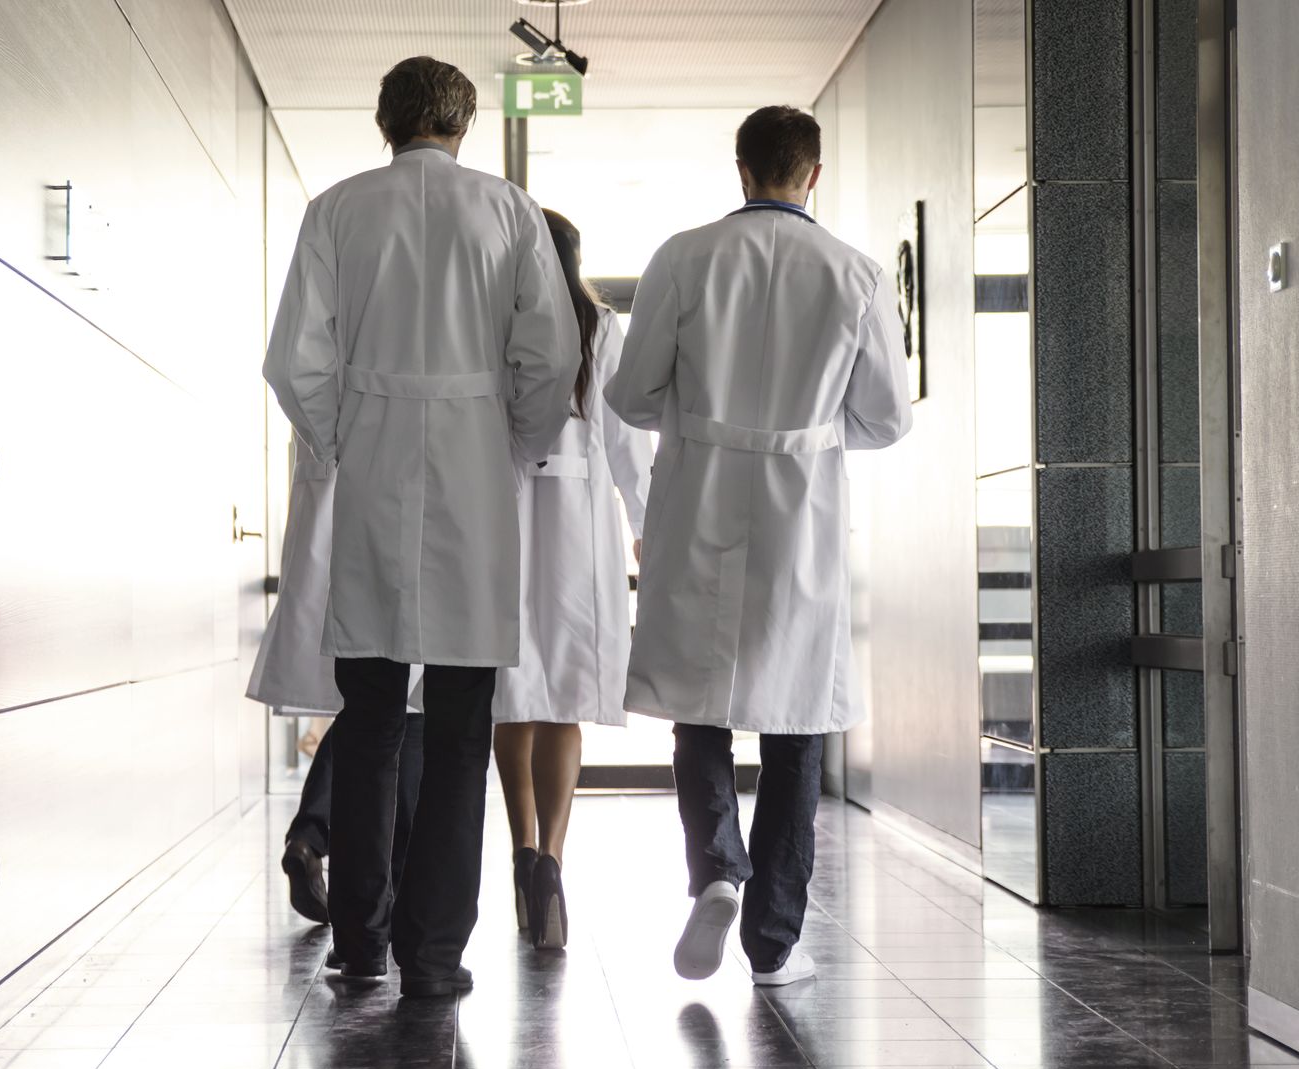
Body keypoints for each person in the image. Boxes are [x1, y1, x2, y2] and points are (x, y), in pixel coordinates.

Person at [262, 56, 580, 998]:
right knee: (458, 729)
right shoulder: (509, 211)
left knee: (368, 723)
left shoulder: (337, 210)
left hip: (371, 472)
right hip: (475, 479)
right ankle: (434, 953)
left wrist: (339, 446)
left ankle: (359, 940)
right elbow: (550, 355)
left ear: (383, 122)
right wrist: (509, 446)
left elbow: (293, 363)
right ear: (465, 126)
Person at [604, 106, 912, 988]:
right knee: (796, 720)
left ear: (741, 171)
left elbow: (629, 395)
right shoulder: (853, 273)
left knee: (698, 707)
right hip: (800, 507)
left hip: (699, 492)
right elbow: (888, 416)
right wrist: (812, 431)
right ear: (810, 174)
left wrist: (703, 419)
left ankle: (716, 871)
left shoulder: (684, 256)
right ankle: (773, 942)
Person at [491, 209, 652, 952]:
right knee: (563, 704)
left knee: (512, 697)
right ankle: (552, 859)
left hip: (503, 522)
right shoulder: (601, 330)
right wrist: (650, 528)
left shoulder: (497, 324)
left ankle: (522, 851)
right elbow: (629, 447)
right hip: (581, 530)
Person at [246, 434, 424, 927]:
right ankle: (382, 904)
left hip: (348, 485)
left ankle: (313, 839)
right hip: (395, 493)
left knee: (376, 703)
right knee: (404, 707)